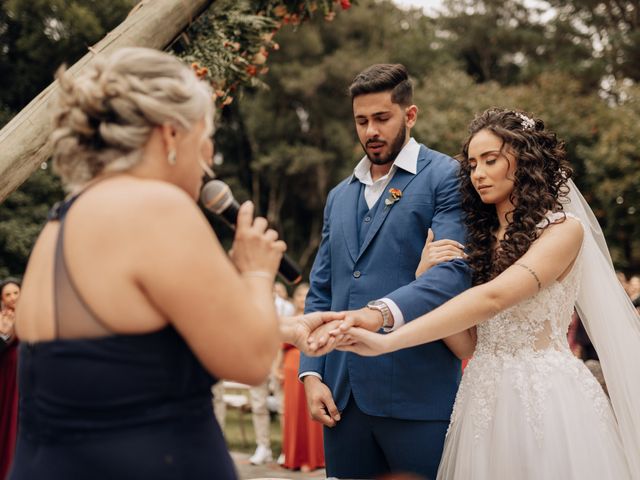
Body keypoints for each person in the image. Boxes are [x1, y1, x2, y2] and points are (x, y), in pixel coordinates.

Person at [8, 47, 341, 480]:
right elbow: (251, 361)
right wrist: (256, 272)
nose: (207, 162)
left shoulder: (62, 221)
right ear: (169, 136)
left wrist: (286, 328)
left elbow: (128, 352)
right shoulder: (155, 206)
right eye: (205, 141)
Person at [329, 108, 640, 478]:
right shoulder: (476, 241)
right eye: (472, 164)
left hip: (547, 399)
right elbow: (468, 346)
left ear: (525, 161)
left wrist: (384, 339)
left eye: (490, 160)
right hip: (482, 401)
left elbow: (493, 298)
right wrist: (423, 280)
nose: (478, 173)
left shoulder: (562, 231)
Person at [299, 63, 473, 480]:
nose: (371, 131)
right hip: (342, 397)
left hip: (417, 391)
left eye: (382, 118)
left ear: (409, 115)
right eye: (362, 121)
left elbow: (450, 274)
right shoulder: (339, 196)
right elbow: (322, 291)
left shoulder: (446, 178)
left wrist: (380, 313)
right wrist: (311, 374)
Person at [248, 285, 294, 466]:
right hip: (256, 357)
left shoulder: (286, 307)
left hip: (277, 356)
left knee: (283, 406)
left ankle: (286, 448)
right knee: (258, 404)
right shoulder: (249, 304)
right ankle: (263, 447)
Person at [281, 283, 325, 472]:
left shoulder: (317, 319)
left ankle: (313, 458)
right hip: (290, 367)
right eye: (299, 295)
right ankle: (294, 457)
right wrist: (277, 368)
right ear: (295, 298)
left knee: (310, 411)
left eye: (306, 295)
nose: (302, 298)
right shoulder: (288, 320)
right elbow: (279, 348)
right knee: (293, 411)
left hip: (312, 365)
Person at [0, 279, 20, 480]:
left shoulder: (32, 315)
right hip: (6, 378)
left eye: (16, 292)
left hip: (27, 379)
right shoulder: (2, 318)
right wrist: (4, 334)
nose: (13, 297)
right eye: (8, 294)